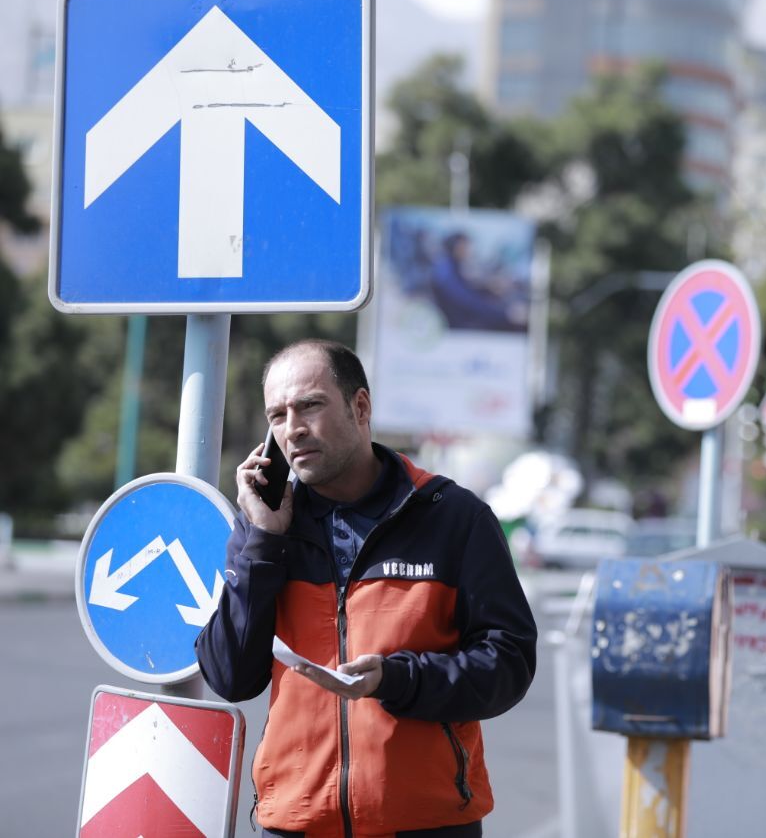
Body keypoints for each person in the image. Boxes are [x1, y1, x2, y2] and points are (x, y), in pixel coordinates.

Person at [196, 339, 537, 837]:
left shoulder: (454, 518)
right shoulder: (264, 532)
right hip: (296, 823)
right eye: (277, 415)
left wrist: (398, 679)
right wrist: (263, 541)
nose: (292, 429)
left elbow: (509, 663)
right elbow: (229, 676)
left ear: (361, 407)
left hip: (427, 824)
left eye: (310, 405)